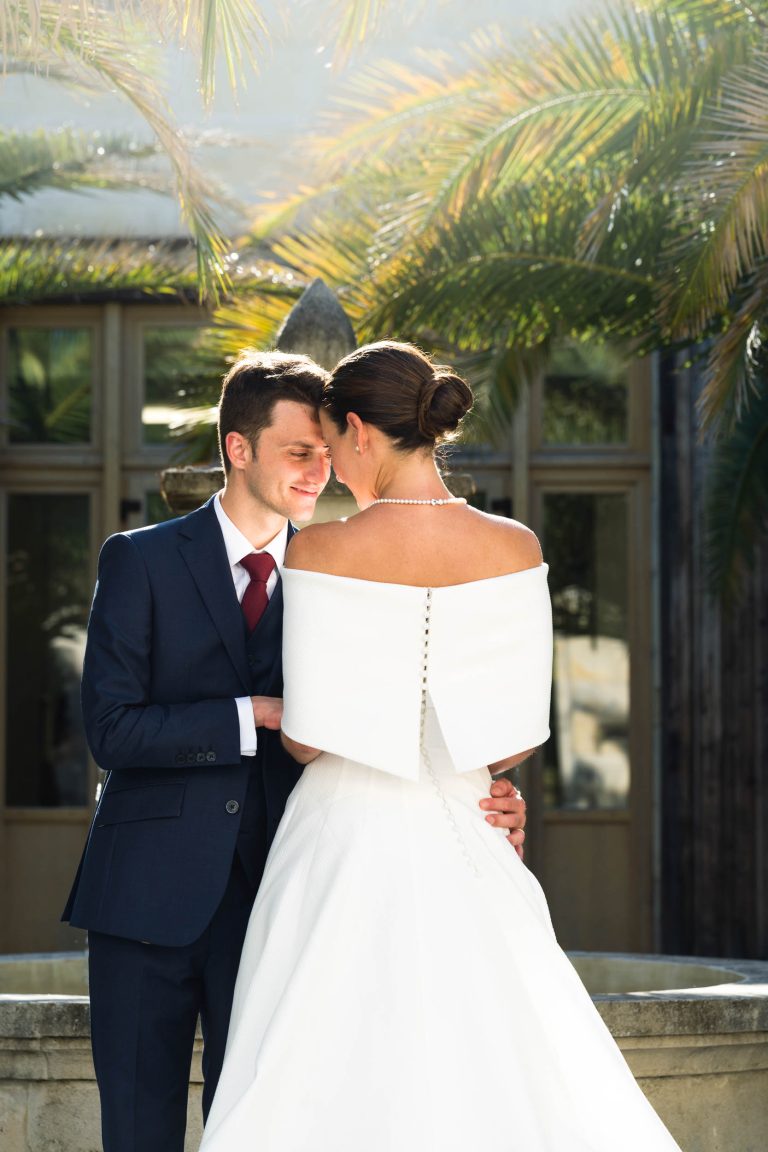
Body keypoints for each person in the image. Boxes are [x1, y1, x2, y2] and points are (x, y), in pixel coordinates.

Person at [199, 341, 683, 1151]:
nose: (328, 471)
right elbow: (521, 736)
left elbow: (312, 741)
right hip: (468, 827)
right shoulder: (517, 546)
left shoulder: (319, 548)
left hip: (342, 833)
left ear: (359, 431)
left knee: (316, 1061)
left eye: (330, 444)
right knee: (503, 1050)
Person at [62, 348, 527, 1152]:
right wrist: (250, 715)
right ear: (239, 449)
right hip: (146, 898)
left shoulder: (343, 566)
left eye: (327, 450)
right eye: (298, 452)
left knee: (260, 1130)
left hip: (281, 897)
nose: (320, 471)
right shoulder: (138, 560)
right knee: (136, 1132)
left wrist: (478, 788)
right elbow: (111, 730)